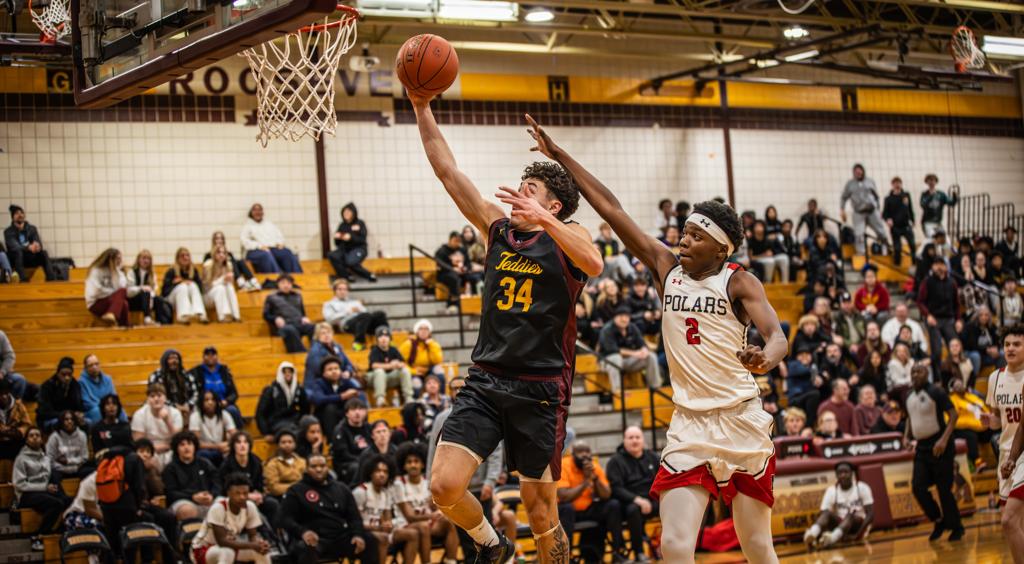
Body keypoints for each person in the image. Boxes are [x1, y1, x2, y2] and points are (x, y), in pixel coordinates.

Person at [413, 95, 602, 564]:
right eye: (520, 185)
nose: (519, 193)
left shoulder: (571, 239)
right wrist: (421, 106)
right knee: (443, 486)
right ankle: (493, 545)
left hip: (540, 388)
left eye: (531, 189)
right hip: (486, 381)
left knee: (541, 513)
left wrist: (545, 221)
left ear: (555, 206)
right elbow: (448, 172)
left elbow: (594, 263)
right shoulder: (497, 230)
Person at [280, 453, 376, 563]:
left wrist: (357, 534)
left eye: (322, 466)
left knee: (370, 540)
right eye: (314, 467)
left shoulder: (341, 488)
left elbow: (354, 517)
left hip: (339, 537)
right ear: (306, 469)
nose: (319, 469)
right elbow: (285, 519)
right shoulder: (296, 490)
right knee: (305, 547)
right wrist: (303, 532)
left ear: (327, 467)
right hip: (314, 539)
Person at [905, 364, 963, 541]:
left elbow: (953, 415)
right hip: (922, 448)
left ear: (927, 374)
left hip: (940, 446)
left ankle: (956, 527)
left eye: (919, 371)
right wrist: (905, 436)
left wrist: (944, 440)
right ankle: (938, 520)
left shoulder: (936, 392)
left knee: (944, 489)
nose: (915, 375)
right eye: (913, 372)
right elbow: (910, 417)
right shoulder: (908, 395)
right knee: (918, 487)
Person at [556, 442, 627, 563]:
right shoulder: (564, 464)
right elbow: (563, 496)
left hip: (588, 508)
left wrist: (594, 478)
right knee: (566, 508)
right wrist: (585, 482)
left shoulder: (593, 465)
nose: (584, 455)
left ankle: (617, 552)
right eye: (580, 452)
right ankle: (566, 557)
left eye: (587, 452)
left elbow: (606, 495)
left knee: (613, 505)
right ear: (573, 454)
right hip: (568, 512)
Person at [392, 442, 459, 564]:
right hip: (405, 525)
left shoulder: (427, 481)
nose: (413, 465)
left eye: (416, 461)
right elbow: (410, 517)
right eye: (409, 462)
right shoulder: (399, 484)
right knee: (423, 526)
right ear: (404, 465)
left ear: (423, 464)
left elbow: (435, 505)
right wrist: (432, 516)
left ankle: (451, 561)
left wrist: (439, 511)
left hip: (427, 523)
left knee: (448, 521)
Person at [981, 325, 1024, 505]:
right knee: (1009, 523)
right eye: (1007, 344)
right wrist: (990, 421)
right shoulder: (995, 378)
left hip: (1022, 452)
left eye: (1016, 344)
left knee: (1011, 518)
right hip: (1006, 451)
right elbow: (999, 420)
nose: (1010, 348)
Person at [190, 472, 272, 564]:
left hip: (230, 547)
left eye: (245, 493)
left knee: (261, 552)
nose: (242, 497)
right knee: (227, 552)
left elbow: (252, 536)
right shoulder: (218, 508)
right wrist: (253, 545)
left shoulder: (250, 507)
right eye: (237, 493)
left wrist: (259, 544)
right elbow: (222, 541)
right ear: (229, 493)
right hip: (202, 550)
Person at [605, 426, 659, 562]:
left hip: (653, 501)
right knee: (632, 509)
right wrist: (638, 500)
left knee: (673, 504)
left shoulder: (653, 457)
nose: (634, 441)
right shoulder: (615, 461)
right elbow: (616, 488)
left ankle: (672, 547)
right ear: (624, 441)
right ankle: (639, 552)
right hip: (629, 503)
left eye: (637, 437)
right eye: (630, 438)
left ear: (643, 440)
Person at [354, 454, 418, 564]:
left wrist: (388, 525)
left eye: (385, 472)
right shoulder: (361, 492)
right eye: (378, 471)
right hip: (363, 533)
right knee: (383, 537)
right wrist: (379, 527)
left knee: (413, 534)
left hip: (379, 530)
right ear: (370, 473)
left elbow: (387, 521)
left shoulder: (385, 493)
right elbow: (355, 524)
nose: (382, 474)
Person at [14, 426, 70, 550]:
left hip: (43, 492)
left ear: (41, 440)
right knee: (56, 503)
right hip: (26, 495)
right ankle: (39, 536)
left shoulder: (45, 458)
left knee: (67, 500)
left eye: (37, 435)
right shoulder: (21, 459)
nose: (34, 438)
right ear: (27, 440)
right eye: (31, 435)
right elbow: (19, 484)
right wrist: (44, 487)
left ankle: (63, 530)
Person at [803, 461, 874, 548]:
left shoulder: (862, 487)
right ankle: (812, 534)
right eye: (840, 473)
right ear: (836, 475)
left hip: (857, 526)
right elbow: (823, 514)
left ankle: (832, 538)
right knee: (826, 513)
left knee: (850, 515)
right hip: (840, 525)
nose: (843, 475)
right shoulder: (832, 490)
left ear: (852, 473)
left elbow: (870, 514)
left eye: (846, 472)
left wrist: (859, 534)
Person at [218, 432, 278, 525]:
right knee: (250, 506)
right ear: (233, 446)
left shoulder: (256, 461)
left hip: (253, 497)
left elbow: (260, 485)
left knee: (272, 503)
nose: (242, 445)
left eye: (245, 442)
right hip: (234, 499)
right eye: (238, 442)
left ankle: (275, 535)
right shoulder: (226, 465)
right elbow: (225, 490)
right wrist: (247, 496)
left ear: (249, 445)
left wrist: (259, 495)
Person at [598, 306, 661, 393]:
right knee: (616, 358)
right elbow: (613, 350)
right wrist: (635, 353)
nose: (624, 319)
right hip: (607, 362)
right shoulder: (607, 329)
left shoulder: (632, 327)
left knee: (651, 356)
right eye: (621, 317)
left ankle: (655, 388)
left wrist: (644, 350)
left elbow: (641, 343)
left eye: (626, 317)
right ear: (614, 317)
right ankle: (617, 391)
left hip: (627, 362)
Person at [163, 430, 219, 521]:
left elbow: (217, 482)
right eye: (182, 445)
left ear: (194, 446)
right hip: (185, 500)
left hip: (208, 499)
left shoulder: (205, 463)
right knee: (186, 511)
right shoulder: (170, 468)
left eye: (189, 444)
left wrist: (212, 495)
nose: (186, 447)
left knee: (226, 504)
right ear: (176, 449)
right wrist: (192, 496)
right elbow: (171, 493)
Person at [917, 257, 961, 368]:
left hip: (949, 319)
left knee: (956, 348)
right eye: (936, 264)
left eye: (941, 264)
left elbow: (956, 304)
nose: (939, 267)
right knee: (936, 352)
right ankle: (938, 379)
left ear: (946, 267)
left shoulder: (952, 283)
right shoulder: (927, 281)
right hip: (934, 319)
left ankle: (955, 375)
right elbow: (920, 302)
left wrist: (958, 320)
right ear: (932, 267)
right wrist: (928, 315)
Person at [321, 279, 389, 350]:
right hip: (347, 324)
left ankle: (387, 339)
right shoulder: (329, 304)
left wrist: (360, 310)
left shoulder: (355, 302)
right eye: (340, 289)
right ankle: (358, 343)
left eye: (345, 289)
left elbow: (367, 314)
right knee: (364, 316)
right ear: (335, 291)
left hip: (363, 323)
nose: (342, 292)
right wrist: (347, 311)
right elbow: (329, 319)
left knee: (380, 314)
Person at [840, 163, 890, 256]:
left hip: (872, 211)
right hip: (858, 213)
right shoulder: (850, 184)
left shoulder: (870, 181)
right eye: (856, 172)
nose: (858, 173)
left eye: (860, 171)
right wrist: (842, 210)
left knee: (881, 231)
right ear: (854, 173)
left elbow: (876, 196)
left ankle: (886, 249)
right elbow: (844, 197)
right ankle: (861, 253)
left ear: (863, 171)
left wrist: (878, 209)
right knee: (859, 234)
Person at [131, 383, 184, 469]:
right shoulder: (139, 414)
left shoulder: (175, 413)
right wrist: (163, 447)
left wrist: (167, 421)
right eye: (152, 396)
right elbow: (139, 444)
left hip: (171, 450)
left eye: (159, 395)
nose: (156, 399)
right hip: (150, 451)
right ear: (148, 399)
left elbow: (178, 440)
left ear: (165, 398)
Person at [189, 346, 243, 430]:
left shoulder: (225, 371)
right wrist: (204, 402)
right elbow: (193, 392)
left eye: (213, 354)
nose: (210, 356)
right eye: (207, 354)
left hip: (223, 404)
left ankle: (239, 435)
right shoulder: (195, 372)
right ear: (203, 357)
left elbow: (234, 393)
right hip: (205, 404)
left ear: (217, 357)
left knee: (233, 410)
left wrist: (226, 401)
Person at [241, 203, 302, 273]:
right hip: (256, 251)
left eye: (259, 210)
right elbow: (244, 241)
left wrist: (280, 243)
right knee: (267, 255)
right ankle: (276, 276)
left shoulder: (269, 224)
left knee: (286, 252)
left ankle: (297, 276)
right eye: (255, 210)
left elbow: (279, 235)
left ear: (262, 212)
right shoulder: (247, 226)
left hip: (273, 248)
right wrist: (259, 246)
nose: (257, 212)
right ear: (251, 213)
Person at [309, 356, 363, 436]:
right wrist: (341, 396)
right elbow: (319, 399)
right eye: (330, 369)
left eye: (336, 368)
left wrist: (355, 392)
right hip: (324, 418)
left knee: (356, 405)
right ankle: (332, 440)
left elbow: (356, 391)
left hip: (342, 415)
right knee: (330, 407)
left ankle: (358, 434)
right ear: (323, 373)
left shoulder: (345, 381)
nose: (334, 371)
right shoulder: (318, 383)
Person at [949, 376, 992, 473]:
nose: (961, 387)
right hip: (963, 429)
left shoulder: (971, 396)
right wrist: (972, 425)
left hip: (981, 427)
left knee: (996, 430)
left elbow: (984, 408)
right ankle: (978, 463)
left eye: (961, 384)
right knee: (971, 436)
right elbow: (951, 420)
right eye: (957, 386)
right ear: (952, 389)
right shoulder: (952, 400)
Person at [263, 274, 315, 353]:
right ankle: (301, 353)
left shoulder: (297, 296)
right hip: (284, 325)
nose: (286, 285)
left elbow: (302, 312)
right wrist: (275, 318)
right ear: (278, 284)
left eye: (288, 283)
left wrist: (304, 317)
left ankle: (316, 351)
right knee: (290, 330)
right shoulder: (271, 297)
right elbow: (266, 315)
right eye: (283, 283)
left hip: (298, 323)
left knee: (314, 327)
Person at [255, 361, 309, 437]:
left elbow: (305, 409)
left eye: (290, 372)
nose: (287, 374)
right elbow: (260, 413)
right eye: (284, 372)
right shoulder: (271, 390)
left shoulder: (299, 390)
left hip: (294, 421)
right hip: (276, 422)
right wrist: (266, 433)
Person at [4, 204, 55, 281]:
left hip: (29, 258)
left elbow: (38, 243)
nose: (20, 215)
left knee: (44, 253)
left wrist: (37, 246)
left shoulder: (32, 229)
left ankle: (51, 279)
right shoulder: (8, 232)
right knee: (18, 252)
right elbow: (14, 246)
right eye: (17, 213)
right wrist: (28, 247)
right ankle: (23, 279)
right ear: (13, 217)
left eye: (21, 213)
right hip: (16, 260)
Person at [329, 202, 377, 282]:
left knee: (350, 261)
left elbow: (362, 239)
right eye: (344, 212)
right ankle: (346, 276)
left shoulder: (360, 223)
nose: (346, 214)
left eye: (348, 212)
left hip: (358, 249)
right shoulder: (342, 225)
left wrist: (351, 238)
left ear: (353, 213)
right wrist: (337, 238)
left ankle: (369, 275)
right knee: (332, 255)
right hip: (344, 249)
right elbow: (337, 244)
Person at [367, 326, 413, 408]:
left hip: (389, 377)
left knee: (404, 371)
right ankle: (380, 399)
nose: (383, 339)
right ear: (377, 339)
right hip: (375, 378)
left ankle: (408, 397)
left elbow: (403, 363)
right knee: (379, 371)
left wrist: (398, 364)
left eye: (386, 336)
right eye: (380, 336)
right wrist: (390, 365)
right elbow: (374, 365)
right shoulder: (374, 350)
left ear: (390, 338)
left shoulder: (393, 349)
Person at [329, 398, 372, 485]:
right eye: (353, 409)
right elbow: (344, 455)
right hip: (347, 464)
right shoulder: (340, 430)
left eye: (360, 409)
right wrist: (363, 461)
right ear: (347, 413)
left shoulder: (368, 427)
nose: (357, 412)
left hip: (366, 460)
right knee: (357, 467)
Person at [85, 248, 131, 326]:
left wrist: (118, 272)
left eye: (120, 258)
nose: (120, 261)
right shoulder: (96, 270)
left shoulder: (116, 271)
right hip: (95, 303)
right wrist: (113, 293)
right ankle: (113, 316)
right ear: (110, 259)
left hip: (110, 302)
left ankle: (123, 326)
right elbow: (96, 291)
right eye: (118, 258)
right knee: (121, 294)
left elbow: (122, 287)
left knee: (124, 303)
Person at [37, 356, 84, 432]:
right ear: (58, 373)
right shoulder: (47, 386)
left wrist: (80, 414)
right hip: (50, 419)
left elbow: (80, 406)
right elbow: (44, 412)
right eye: (63, 374)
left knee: (87, 422)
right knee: (59, 423)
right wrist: (65, 416)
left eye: (69, 374)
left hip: (71, 418)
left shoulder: (75, 385)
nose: (67, 378)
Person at [148, 349, 199, 418]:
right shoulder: (156, 376)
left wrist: (188, 405)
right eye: (170, 358)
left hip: (187, 409)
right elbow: (155, 396)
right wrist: (176, 407)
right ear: (164, 361)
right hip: (164, 408)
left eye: (176, 358)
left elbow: (195, 393)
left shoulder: (187, 375)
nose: (174, 361)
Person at [162, 247, 208, 324]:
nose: (185, 258)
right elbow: (164, 291)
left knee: (193, 285)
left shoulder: (194, 271)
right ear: (177, 258)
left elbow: (200, 289)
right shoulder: (171, 271)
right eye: (182, 256)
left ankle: (200, 314)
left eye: (187, 255)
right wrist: (177, 283)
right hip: (171, 299)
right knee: (182, 287)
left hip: (189, 299)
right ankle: (183, 315)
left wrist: (186, 282)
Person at [190, 390, 236, 466]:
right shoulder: (195, 416)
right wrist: (217, 446)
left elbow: (235, 436)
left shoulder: (224, 414)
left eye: (213, 400)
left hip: (221, 450)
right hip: (203, 450)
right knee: (201, 455)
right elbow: (195, 443)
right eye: (206, 400)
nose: (210, 402)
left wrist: (229, 445)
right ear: (201, 402)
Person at [303, 322, 356, 387]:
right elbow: (319, 371)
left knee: (356, 387)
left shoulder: (337, 347)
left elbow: (348, 364)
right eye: (323, 333)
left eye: (328, 332)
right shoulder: (315, 351)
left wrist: (348, 372)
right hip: (318, 385)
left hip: (338, 380)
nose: (327, 335)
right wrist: (339, 374)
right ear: (317, 336)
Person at [399, 319, 446, 392]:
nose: (424, 331)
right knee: (416, 383)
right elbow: (400, 363)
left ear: (429, 332)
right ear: (417, 332)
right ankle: (416, 403)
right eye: (421, 329)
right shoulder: (408, 344)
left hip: (429, 371)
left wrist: (430, 345)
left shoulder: (434, 344)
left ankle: (442, 398)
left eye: (426, 329)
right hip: (415, 371)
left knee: (439, 369)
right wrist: (413, 371)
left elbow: (438, 361)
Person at [79, 354, 124, 426]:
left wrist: (109, 406)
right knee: (97, 411)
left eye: (96, 364)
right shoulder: (81, 382)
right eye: (91, 365)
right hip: (92, 410)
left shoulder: (108, 379)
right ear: (85, 368)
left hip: (108, 406)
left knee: (120, 410)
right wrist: (104, 407)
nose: (94, 367)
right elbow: (86, 402)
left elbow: (114, 396)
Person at [202, 245, 243, 323]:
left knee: (229, 286)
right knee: (220, 288)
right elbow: (206, 287)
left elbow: (228, 285)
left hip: (220, 295)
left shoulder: (229, 265)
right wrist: (222, 280)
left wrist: (229, 280)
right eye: (218, 252)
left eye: (224, 253)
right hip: (207, 296)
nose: (221, 255)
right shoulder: (208, 265)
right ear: (214, 254)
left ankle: (236, 316)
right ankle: (223, 316)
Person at [46, 410, 91, 481]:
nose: (69, 421)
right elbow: (49, 460)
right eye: (66, 419)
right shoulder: (54, 437)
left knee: (91, 472)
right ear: (61, 422)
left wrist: (68, 461)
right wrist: (64, 468)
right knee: (50, 475)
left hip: (77, 468)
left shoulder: (82, 435)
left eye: (72, 419)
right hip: (59, 469)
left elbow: (84, 457)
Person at [882, 176, 915, 266]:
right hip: (895, 227)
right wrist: (888, 220)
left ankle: (915, 264)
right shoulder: (888, 199)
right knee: (897, 248)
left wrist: (913, 220)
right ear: (892, 185)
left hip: (906, 226)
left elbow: (910, 208)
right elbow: (884, 213)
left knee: (912, 245)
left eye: (899, 183)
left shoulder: (906, 195)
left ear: (901, 184)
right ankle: (897, 266)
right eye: (895, 183)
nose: (897, 185)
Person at [263, 429, 305, 500]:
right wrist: (297, 487)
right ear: (278, 445)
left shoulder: (302, 461)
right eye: (283, 442)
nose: (287, 445)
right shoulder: (272, 464)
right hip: (282, 497)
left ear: (295, 444)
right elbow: (274, 488)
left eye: (290, 442)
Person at [434, 231, 470, 312]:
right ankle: (453, 303)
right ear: (450, 240)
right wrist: (453, 269)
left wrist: (465, 268)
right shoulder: (442, 251)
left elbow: (468, 263)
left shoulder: (462, 250)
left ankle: (472, 302)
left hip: (460, 273)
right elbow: (441, 264)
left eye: (459, 241)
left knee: (474, 276)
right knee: (454, 278)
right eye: (455, 241)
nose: (457, 243)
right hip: (444, 274)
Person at [126, 249, 163, 326]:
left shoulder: (152, 274)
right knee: (145, 292)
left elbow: (154, 289)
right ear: (138, 260)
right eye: (144, 258)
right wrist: (141, 288)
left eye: (148, 259)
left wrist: (151, 298)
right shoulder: (132, 272)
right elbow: (128, 291)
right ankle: (147, 319)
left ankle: (160, 323)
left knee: (159, 300)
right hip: (134, 300)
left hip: (148, 301)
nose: (146, 261)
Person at [0, 378, 31, 465]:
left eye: (6, 393)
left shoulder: (18, 405)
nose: (4, 396)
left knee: (29, 446)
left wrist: (18, 432)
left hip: (14, 440)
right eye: (0, 394)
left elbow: (27, 424)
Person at [0, 330, 29, 400]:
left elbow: (10, 356)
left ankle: (11, 408)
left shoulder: (0, 335)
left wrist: (2, 372)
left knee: (19, 380)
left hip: (1, 376)